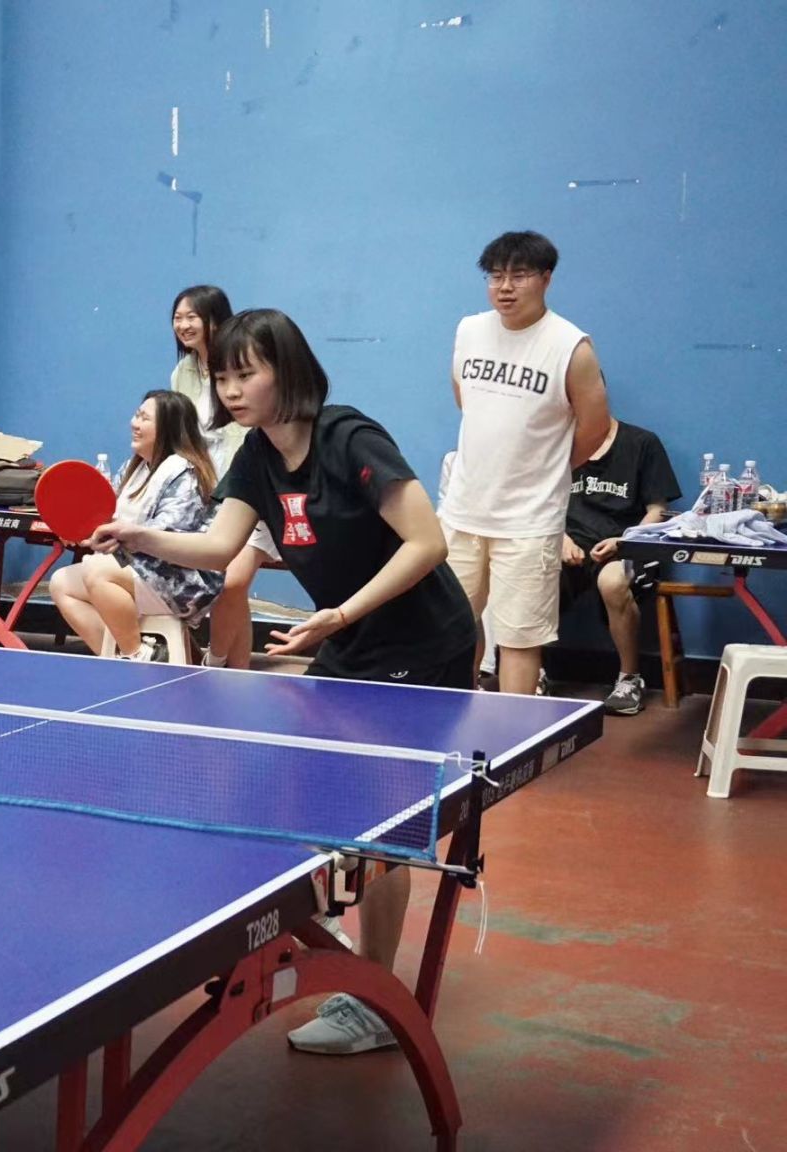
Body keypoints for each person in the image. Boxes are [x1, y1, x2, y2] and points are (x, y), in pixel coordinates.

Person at [90, 309, 476, 1057]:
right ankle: (327, 924)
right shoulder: (256, 459)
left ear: (287, 372)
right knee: (299, 780)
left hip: (422, 643)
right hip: (350, 639)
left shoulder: (348, 438)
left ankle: (375, 1000)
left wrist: (341, 614)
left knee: (386, 821)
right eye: (222, 377)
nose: (231, 389)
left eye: (246, 373)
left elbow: (428, 541)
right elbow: (217, 547)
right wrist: (139, 535)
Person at [439, 231, 611, 695]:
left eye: (519, 275)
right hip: (463, 511)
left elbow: (595, 427)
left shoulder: (570, 346)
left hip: (529, 521)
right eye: (495, 276)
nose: (505, 287)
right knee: (452, 627)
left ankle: (511, 733)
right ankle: (456, 715)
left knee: (518, 639)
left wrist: (546, 469)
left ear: (546, 279)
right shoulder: (470, 331)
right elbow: (465, 400)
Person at [49, 390, 224, 660]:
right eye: (136, 415)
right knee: (61, 583)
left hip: (184, 580)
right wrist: (85, 534)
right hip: (139, 568)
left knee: (97, 571)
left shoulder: (185, 474)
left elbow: (166, 535)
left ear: (167, 428)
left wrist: (113, 540)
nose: (134, 423)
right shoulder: (135, 469)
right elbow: (108, 519)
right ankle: (115, 656)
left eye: (145, 418)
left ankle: (137, 655)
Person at [169, 286, 279, 669]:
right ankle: (239, 674)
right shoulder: (183, 372)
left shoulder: (241, 364)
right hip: (206, 491)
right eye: (177, 318)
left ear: (215, 319)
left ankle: (213, 664)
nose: (183, 325)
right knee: (232, 591)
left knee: (231, 582)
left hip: (251, 489)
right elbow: (183, 436)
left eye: (192, 317)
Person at [563, 414, 680, 714]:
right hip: (570, 543)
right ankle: (535, 674)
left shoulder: (642, 443)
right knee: (530, 572)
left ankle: (629, 678)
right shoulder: (556, 443)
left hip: (628, 544)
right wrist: (561, 539)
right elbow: (539, 503)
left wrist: (623, 541)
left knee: (613, 582)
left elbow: (658, 510)